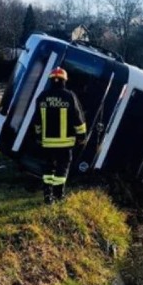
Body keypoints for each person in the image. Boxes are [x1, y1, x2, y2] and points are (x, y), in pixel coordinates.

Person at [30, 67, 87, 204]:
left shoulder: (42, 97)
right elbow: (78, 118)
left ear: (50, 80)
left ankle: (47, 195)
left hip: (47, 142)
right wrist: (82, 136)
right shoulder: (69, 96)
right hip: (65, 143)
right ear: (64, 80)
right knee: (62, 168)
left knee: (48, 168)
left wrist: (38, 136)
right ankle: (58, 195)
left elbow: (37, 120)